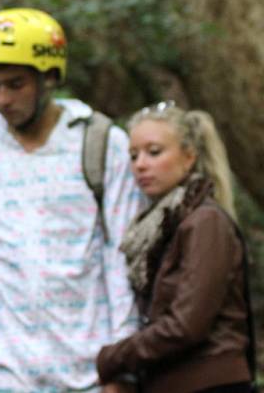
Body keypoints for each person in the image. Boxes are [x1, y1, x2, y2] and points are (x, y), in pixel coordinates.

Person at [0, 8, 145, 392]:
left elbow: (121, 262)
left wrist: (123, 367)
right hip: (5, 376)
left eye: (15, 84)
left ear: (49, 77)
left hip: (89, 374)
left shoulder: (101, 145)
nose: (2, 99)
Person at [96, 102, 254, 392]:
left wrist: (112, 358)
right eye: (133, 155)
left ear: (189, 157)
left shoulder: (204, 222)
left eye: (154, 152)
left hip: (210, 383)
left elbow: (186, 325)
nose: (140, 164)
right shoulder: (161, 226)